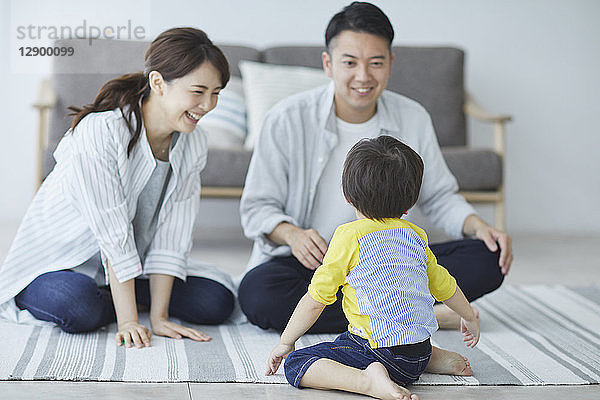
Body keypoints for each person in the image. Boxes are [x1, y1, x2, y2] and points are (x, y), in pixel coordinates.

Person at [239, 1, 512, 333]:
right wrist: (293, 235)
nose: (363, 77)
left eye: (376, 63)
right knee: (258, 293)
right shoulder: (286, 119)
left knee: (487, 258)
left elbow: (440, 196)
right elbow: (256, 208)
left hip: (392, 262)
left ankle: (370, 314)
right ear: (328, 63)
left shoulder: (413, 117)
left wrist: (477, 226)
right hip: (315, 263)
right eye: (350, 63)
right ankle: (417, 315)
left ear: (391, 64)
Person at [0, 27, 235, 348]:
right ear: (157, 83)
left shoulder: (194, 142)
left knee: (215, 301)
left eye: (216, 92)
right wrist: (128, 320)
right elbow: (114, 232)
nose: (208, 105)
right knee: (79, 308)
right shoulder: (101, 132)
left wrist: (159, 317)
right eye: (198, 91)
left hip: (128, 266)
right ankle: (103, 300)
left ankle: (117, 296)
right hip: (61, 263)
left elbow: (174, 232)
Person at [266, 136, 480, 400]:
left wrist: (286, 342)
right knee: (355, 339)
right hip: (418, 350)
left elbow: (315, 300)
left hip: (379, 353)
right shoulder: (415, 235)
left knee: (298, 362)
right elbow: (446, 286)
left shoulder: (348, 236)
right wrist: (468, 316)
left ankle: (367, 381)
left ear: (347, 195)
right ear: (409, 203)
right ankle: (431, 359)